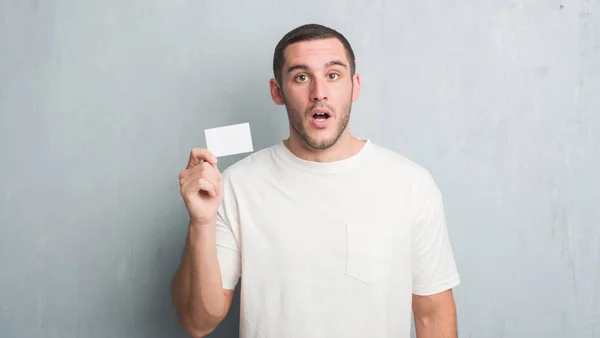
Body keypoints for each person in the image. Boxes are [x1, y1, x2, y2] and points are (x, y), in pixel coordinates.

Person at [170, 23, 461, 338]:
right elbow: (198, 323)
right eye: (301, 77)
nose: (319, 92)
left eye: (333, 75)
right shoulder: (238, 185)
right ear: (277, 91)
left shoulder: (410, 185)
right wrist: (200, 223)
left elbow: (433, 316)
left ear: (354, 86)